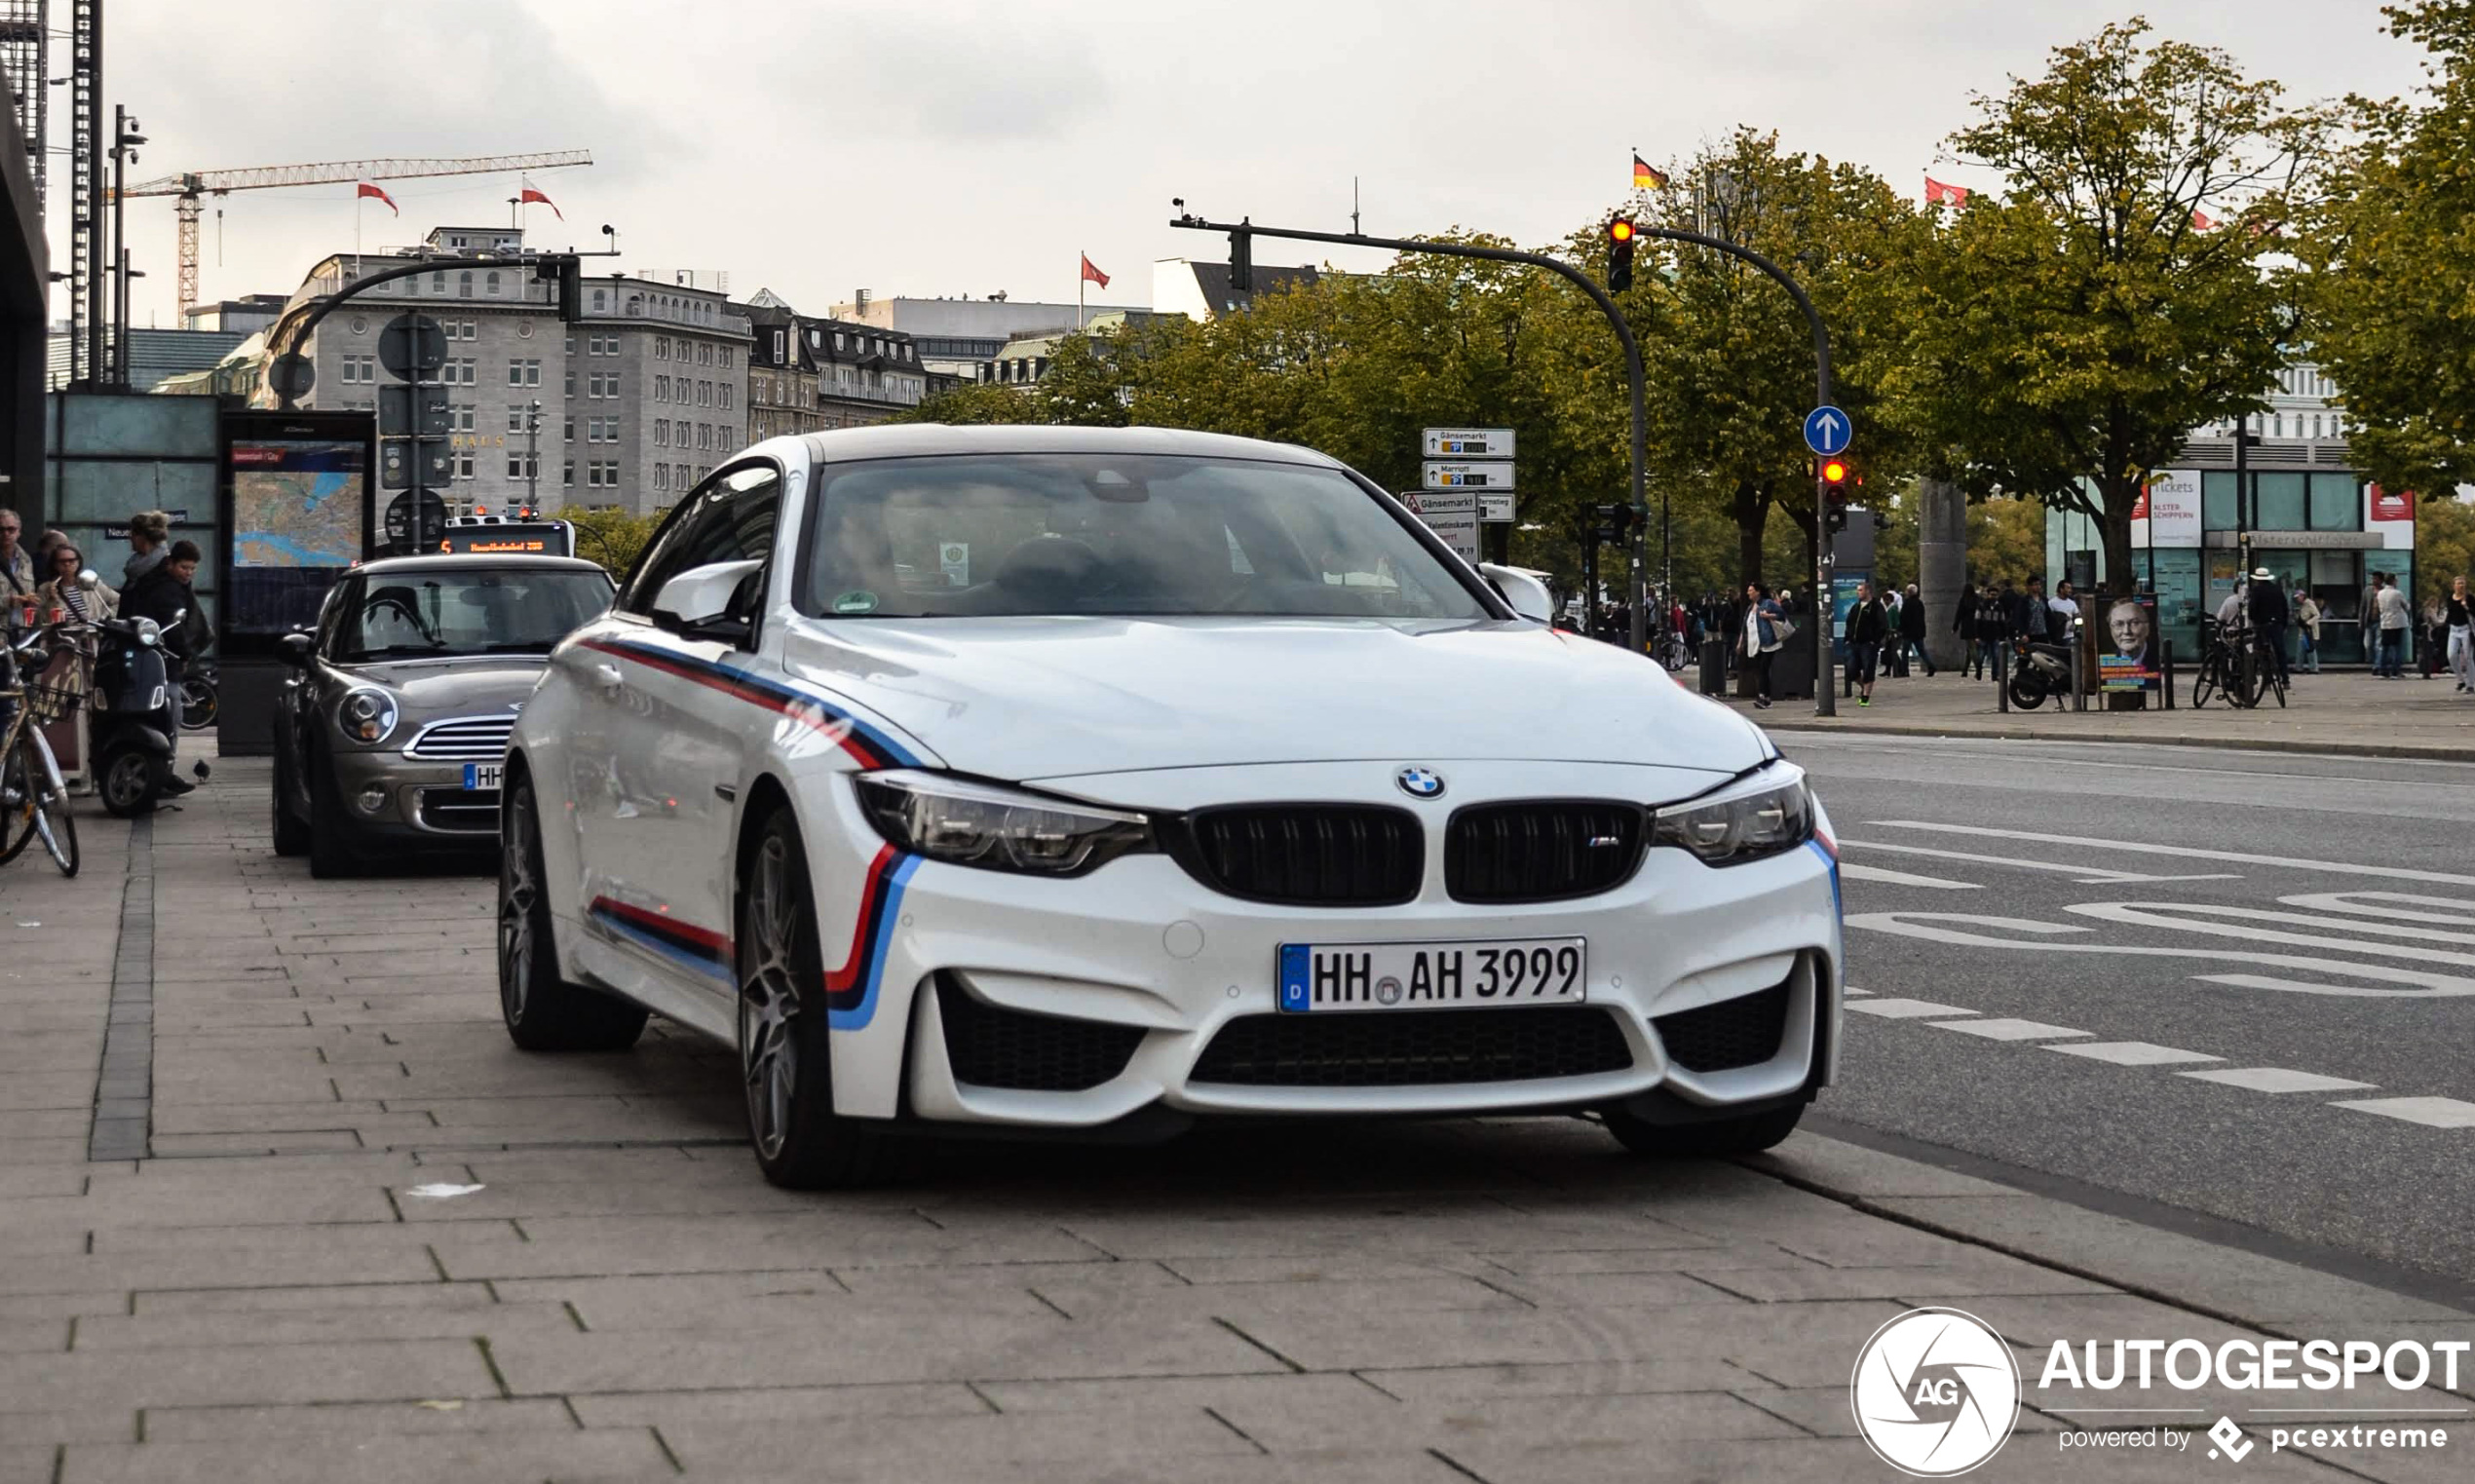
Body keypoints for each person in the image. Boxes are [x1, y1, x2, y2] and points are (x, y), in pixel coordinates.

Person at [117, 539, 204, 796]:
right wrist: (186, 653)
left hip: (152, 662)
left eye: (192, 569)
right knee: (170, 719)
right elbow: (174, 629)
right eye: (184, 567)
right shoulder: (169, 590)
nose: (188, 573)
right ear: (171, 563)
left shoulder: (156, 583)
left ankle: (161, 774)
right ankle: (162, 776)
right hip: (164, 664)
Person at [1742, 581, 1784, 709]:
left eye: (1751, 590)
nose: (1748, 593)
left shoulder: (1768, 603)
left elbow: (1782, 615)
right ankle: (1766, 697)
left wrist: (1768, 616)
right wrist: (1741, 642)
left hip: (1768, 642)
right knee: (1761, 670)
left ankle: (1762, 696)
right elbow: (1745, 625)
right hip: (1756, 643)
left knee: (1763, 669)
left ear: (1758, 592)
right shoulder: (1751, 606)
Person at [1847, 580, 1889, 706]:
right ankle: (1863, 686)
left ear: (1868, 591)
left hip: (1868, 643)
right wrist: (1847, 638)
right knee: (1851, 669)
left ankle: (1865, 696)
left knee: (1868, 668)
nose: (1858, 593)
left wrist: (1875, 640)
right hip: (1854, 642)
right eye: (1857, 590)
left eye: (1860, 590)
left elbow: (1883, 625)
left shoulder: (1876, 606)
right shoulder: (1856, 607)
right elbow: (1849, 622)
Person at [2248, 568, 2290, 684]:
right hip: (2277, 624)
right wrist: (2284, 624)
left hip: (2262, 625)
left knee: (2262, 651)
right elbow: (2285, 608)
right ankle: (2285, 679)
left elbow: (2252, 609)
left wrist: (2254, 621)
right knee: (2280, 651)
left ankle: (2267, 680)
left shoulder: (2256, 590)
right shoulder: (2277, 590)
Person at [2373, 571, 2413, 678]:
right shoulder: (2397, 593)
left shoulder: (2380, 593)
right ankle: (2395, 670)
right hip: (2397, 622)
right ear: (2393, 581)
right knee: (2397, 647)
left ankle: (2383, 669)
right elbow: (2406, 606)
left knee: (2385, 647)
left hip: (2385, 622)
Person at [124, 511, 171, 588]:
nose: (130, 538)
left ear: (142, 537)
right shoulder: (136, 565)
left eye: (132, 534)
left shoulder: (166, 568)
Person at [1975, 582, 2012, 678]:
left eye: (1995, 595)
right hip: (1983, 634)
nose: (1993, 597)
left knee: (1996, 657)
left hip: (1995, 635)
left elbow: (2002, 622)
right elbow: (1977, 621)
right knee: (1980, 657)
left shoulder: (1999, 607)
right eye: (1992, 595)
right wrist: (1977, 635)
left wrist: (2005, 635)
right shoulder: (1982, 606)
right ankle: (1978, 671)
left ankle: (1994, 675)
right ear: (1988, 595)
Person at [1897, 582, 1934, 677]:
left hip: (1908, 632)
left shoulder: (1907, 603)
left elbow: (1903, 618)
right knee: (1921, 651)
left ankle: (1905, 671)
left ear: (1909, 592)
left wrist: (1900, 629)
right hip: (1918, 631)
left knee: (1905, 652)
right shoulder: (1919, 603)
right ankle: (1931, 665)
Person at [2445, 575, 2471, 694]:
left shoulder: (2469, 598)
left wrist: (2466, 607)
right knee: (2451, 655)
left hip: (2466, 629)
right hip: (2454, 629)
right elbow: (2449, 614)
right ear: (2453, 586)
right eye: (2459, 583)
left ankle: (2471, 684)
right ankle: (2460, 679)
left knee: (2468, 657)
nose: (2461, 585)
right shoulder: (2450, 598)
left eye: (2463, 583)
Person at [2295, 588, 2322, 674]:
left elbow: (2317, 615)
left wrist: (2308, 623)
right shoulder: (2302, 605)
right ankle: (2298, 667)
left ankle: (2314, 668)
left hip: (2310, 631)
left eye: (2298, 597)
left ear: (2302, 596)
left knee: (2311, 649)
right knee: (2300, 649)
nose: (2297, 599)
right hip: (2303, 631)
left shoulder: (2309, 604)